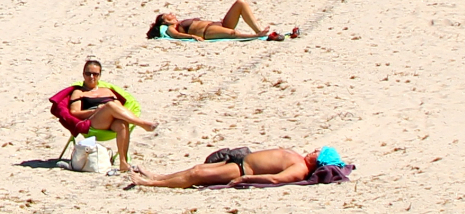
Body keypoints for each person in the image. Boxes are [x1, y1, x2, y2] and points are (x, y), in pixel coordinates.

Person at [61, 59, 156, 169]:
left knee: (121, 124)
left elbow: (118, 107)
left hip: (111, 121)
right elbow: (74, 112)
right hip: (93, 122)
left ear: (99, 75)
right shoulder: (79, 92)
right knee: (109, 105)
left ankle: (123, 162)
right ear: (83, 74)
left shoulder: (107, 91)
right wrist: (95, 111)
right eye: (88, 73)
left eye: (95, 74)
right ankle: (142, 123)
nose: (91, 77)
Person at [131, 147, 314, 188]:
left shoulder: (300, 168)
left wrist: (246, 179)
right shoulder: (299, 158)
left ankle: (150, 184)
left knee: (197, 175)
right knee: (197, 168)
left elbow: (276, 179)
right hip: (241, 160)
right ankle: (158, 176)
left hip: (244, 170)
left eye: (317, 152)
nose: (313, 151)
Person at [146, 0, 295, 40]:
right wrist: (191, 36)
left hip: (217, 24)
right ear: (165, 21)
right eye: (168, 16)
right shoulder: (171, 28)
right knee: (231, 33)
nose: (172, 14)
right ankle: (256, 36)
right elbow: (175, 35)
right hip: (206, 32)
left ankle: (259, 31)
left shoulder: (178, 22)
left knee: (240, 3)